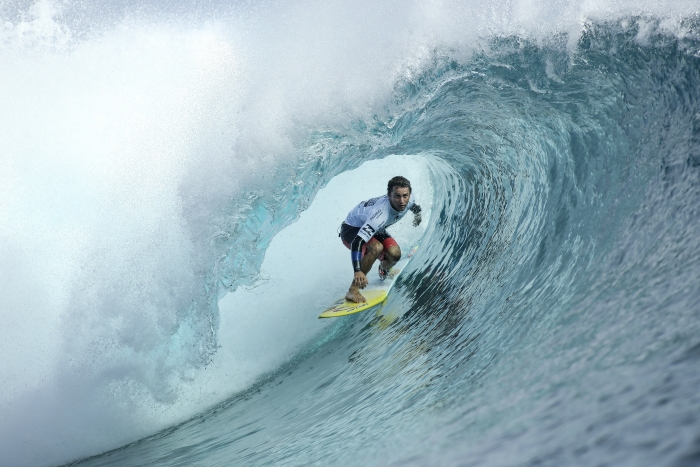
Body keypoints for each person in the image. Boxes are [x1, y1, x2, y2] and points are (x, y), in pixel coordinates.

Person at [339, 176, 422, 303]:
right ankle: (352, 291)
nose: (402, 201)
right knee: (376, 248)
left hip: (373, 228)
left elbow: (414, 207)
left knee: (395, 254)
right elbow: (357, 242)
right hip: (351, 230)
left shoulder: (409, 200)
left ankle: (383, 270)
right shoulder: (380, 215)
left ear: (409, 194)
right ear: (389, 195)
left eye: (405, 196)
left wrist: (418, 216)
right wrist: (357, 270)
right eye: (397, 196)